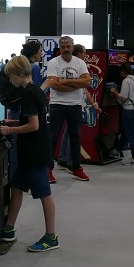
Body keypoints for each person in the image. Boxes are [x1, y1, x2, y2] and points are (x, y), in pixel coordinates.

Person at [0, 56, 59, 252]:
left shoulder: (29, 94)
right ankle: (9, 229)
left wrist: (10, 130)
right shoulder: (36, 91)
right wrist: (13, 122)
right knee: (16, 188)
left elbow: (34, 126)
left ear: (18, 73)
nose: (10, 81)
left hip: (35, 154)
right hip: (28, 153)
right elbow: (31, 119)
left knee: (44, 195)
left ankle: (51, 237)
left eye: (11, 76)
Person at [46, 36, 92, 182]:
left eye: (68, 46)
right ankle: (47, 169)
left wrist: (64, 81)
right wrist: (76, 84)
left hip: (75, 105)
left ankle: (76, 168)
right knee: (52, 138)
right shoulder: (53, 62)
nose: (65, 49)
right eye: (63, 47)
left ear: (72, 47)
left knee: (75, 138)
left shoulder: (80, 63)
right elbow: (54, 84)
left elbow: (87, 81)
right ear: (60, 48)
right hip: (57, 104)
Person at [56, 44, 102, 170]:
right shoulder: (73, 68)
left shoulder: (80, 66)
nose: (86, 55)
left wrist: (93, 104)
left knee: (68, 133)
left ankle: (63, 158)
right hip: (71, 105)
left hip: (74, 105)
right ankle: (70, 161)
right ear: (78, 53)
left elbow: (84, 89)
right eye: (84, 53)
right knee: (73, 134)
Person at [109, 62, 134, 166]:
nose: (120, 75)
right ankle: (117, 151)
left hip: (129, 111)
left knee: (131, 135)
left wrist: (114, 92)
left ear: (123, 71)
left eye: (120, 72)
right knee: (126, 132)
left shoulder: (126, 80)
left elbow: (123, 98)